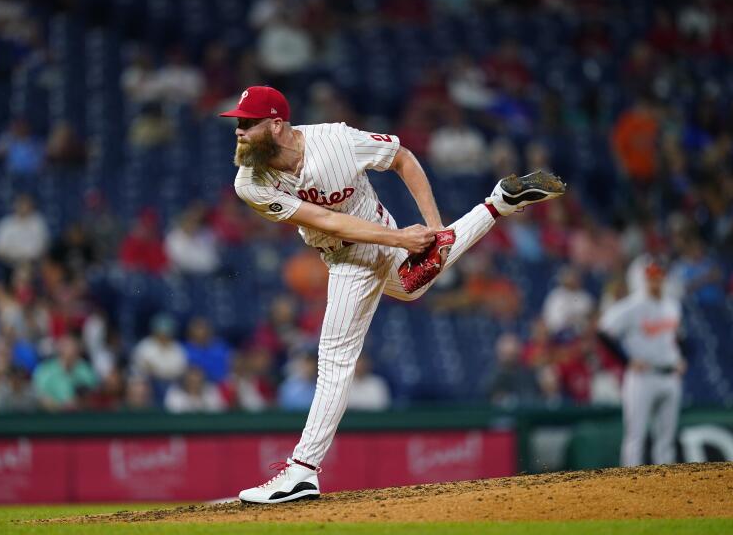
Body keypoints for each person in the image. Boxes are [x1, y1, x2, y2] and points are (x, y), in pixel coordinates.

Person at [221, 85, 565, 503]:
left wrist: (433, 228)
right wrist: (401, 239)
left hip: (359, 253)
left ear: (276, 125)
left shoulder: (337, 140)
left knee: (334, 357)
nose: (238, 131)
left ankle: (302, 471)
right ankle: (498, 204)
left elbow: (402, 157)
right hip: (355, 238)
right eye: (238, 123)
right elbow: (329, 222)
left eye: (246, 123)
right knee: (406, 288)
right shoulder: (249, 182)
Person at [598, 261, 686, 467]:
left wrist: (680, 356)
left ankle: (667, 488)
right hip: (642, 378)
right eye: (651, 277)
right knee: (635, 436)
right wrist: (627, 360)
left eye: (658, 276)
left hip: (670, 375)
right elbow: (603, 331)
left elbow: (675, 337)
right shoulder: (632, 305)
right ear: (643, 279)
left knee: (666, 440)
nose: (655, 280)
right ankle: (630, 487)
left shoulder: (672, 304)